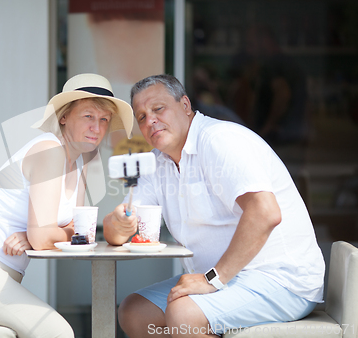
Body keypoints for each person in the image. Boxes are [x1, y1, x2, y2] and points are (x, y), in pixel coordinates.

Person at [103, 74, 324, 337]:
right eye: (141, 117)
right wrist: (118, 224)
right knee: (135, 312)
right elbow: (117, 230)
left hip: (280, 278)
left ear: (185, 105)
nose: (150, 120)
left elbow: (265, 213)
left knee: (184, 314)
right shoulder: (157, 162)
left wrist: (214, 278)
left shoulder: (218, 140)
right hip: (223, 279)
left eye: (158, 109)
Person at [0, 73, 133, 338]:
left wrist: (36, 234)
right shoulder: (50, 150)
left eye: (104, 119)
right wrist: (40, 234)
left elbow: (80, 232)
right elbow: (62, 234)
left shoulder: (79, 165)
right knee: (57, 332)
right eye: (88, 116)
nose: (97, 127)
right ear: (63, 117)